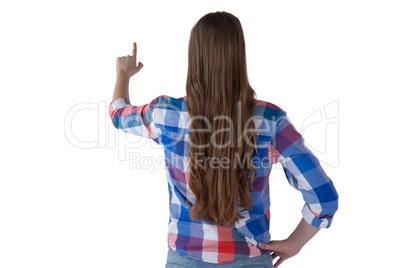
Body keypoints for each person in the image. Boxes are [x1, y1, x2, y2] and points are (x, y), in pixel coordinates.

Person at [109, 11, 339, 268]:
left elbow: (118, 115)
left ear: (194, 56)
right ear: (239, 55)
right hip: (250, 259)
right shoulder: (270, 120)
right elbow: (324, 196)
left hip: (184, 260)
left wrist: (123, 75)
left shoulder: (165, 114)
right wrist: (295, 243)